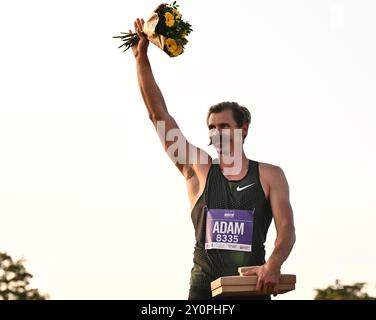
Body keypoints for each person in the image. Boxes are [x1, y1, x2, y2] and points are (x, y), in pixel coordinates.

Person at [131, 18, 296, 300]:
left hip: (253, 287)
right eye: (211, 127)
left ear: (243, 129)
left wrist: (274, 264)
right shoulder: (199, 168)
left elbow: (287, 231)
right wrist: (141, 59)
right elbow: (159, 116)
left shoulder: (270, 175)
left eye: (224, 126)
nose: (216, 132)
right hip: (204, 291)